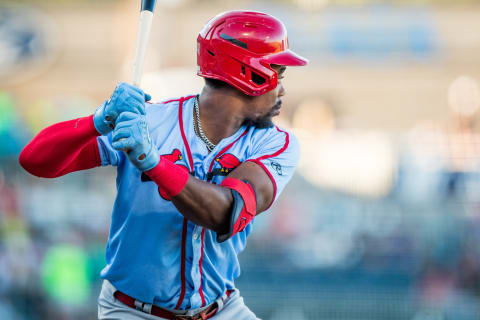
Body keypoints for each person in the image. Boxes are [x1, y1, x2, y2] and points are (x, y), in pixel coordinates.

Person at [19, 10, 307, 320]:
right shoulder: (150, 121)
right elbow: (35, 161)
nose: (282, 88)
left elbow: (225, 215)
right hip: (133, 311)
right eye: (279, 72)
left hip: (221, 310)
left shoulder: (276, 143)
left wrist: (152, 162)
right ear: (249, 74)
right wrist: (97, 121)